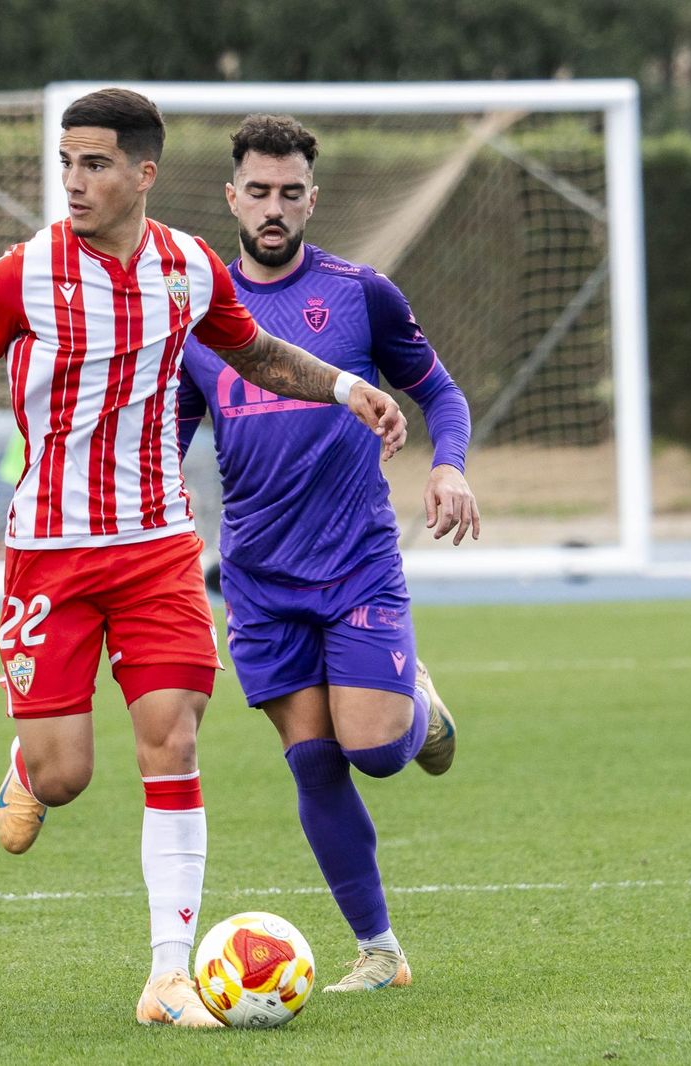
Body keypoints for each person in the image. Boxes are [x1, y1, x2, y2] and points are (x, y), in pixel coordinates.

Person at [0, 89, 408, 1027]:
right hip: (51, 555)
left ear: (144, 173)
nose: (75, 181)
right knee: (66, 776)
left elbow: (255, 352)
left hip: (157, 548)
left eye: (95, 164)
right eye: (68, 162)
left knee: (173, 741)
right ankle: (29, 766)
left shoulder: (185, 266)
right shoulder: (24, 273)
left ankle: (167, 975)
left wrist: (346, 386)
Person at [177, 114, 481, 992]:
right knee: (312, 760)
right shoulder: (200, 318)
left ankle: (420, 706)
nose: (274, 208)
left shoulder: (361, 294)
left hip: (355, 563)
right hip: (259, 578)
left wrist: (451, 467)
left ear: (314, 198)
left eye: (291, 193)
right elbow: (165, 440)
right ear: (233, 196)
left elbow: (441, 392)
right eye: (259, 192)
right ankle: (380, 953)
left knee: (377, 750)